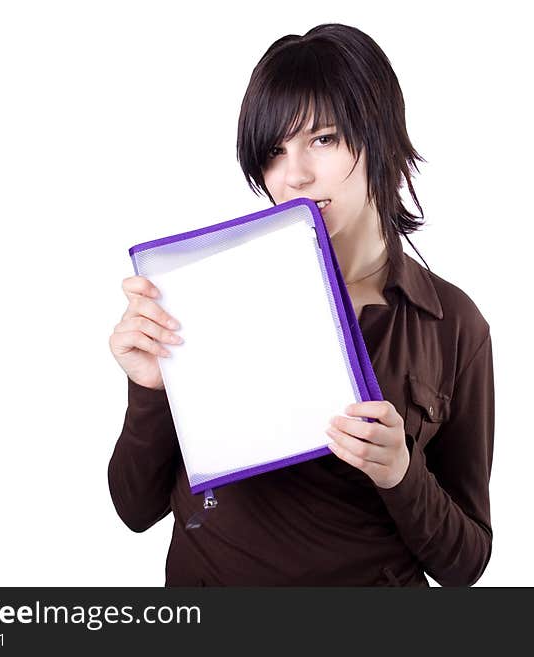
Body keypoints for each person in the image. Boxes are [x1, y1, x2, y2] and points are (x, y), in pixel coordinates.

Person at [107, 23, 494, 586]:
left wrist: (402, 475)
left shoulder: (453, 324)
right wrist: (148, 389)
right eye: (273, 152)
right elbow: (134, 508)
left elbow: (466, 563)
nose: (294, 176)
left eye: (323, 139)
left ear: (381, 138)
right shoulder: (205, 294)